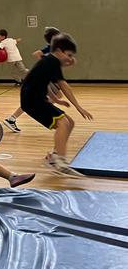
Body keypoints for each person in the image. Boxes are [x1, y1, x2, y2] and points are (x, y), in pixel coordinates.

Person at [20, 32, 93, 175]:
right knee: (63, 123)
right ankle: (60, 161)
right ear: (59, 51)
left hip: (35, 99)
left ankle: (54, 156)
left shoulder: (50, 62)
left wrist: (55, 99)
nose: (71, 59)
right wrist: (79, 107)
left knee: (69, 123)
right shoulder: (51, 62)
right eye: (69, 55)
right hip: (32, 101)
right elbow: (64, 85)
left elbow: (42, 81)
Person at [3, 26, 66, 133]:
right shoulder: (50, 48)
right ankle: (12, 118)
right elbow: (36, 54)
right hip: (40, 77)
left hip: (41, 77)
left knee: (44, 98)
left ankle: (12, 119)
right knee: (38, 100)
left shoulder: (55, 48)